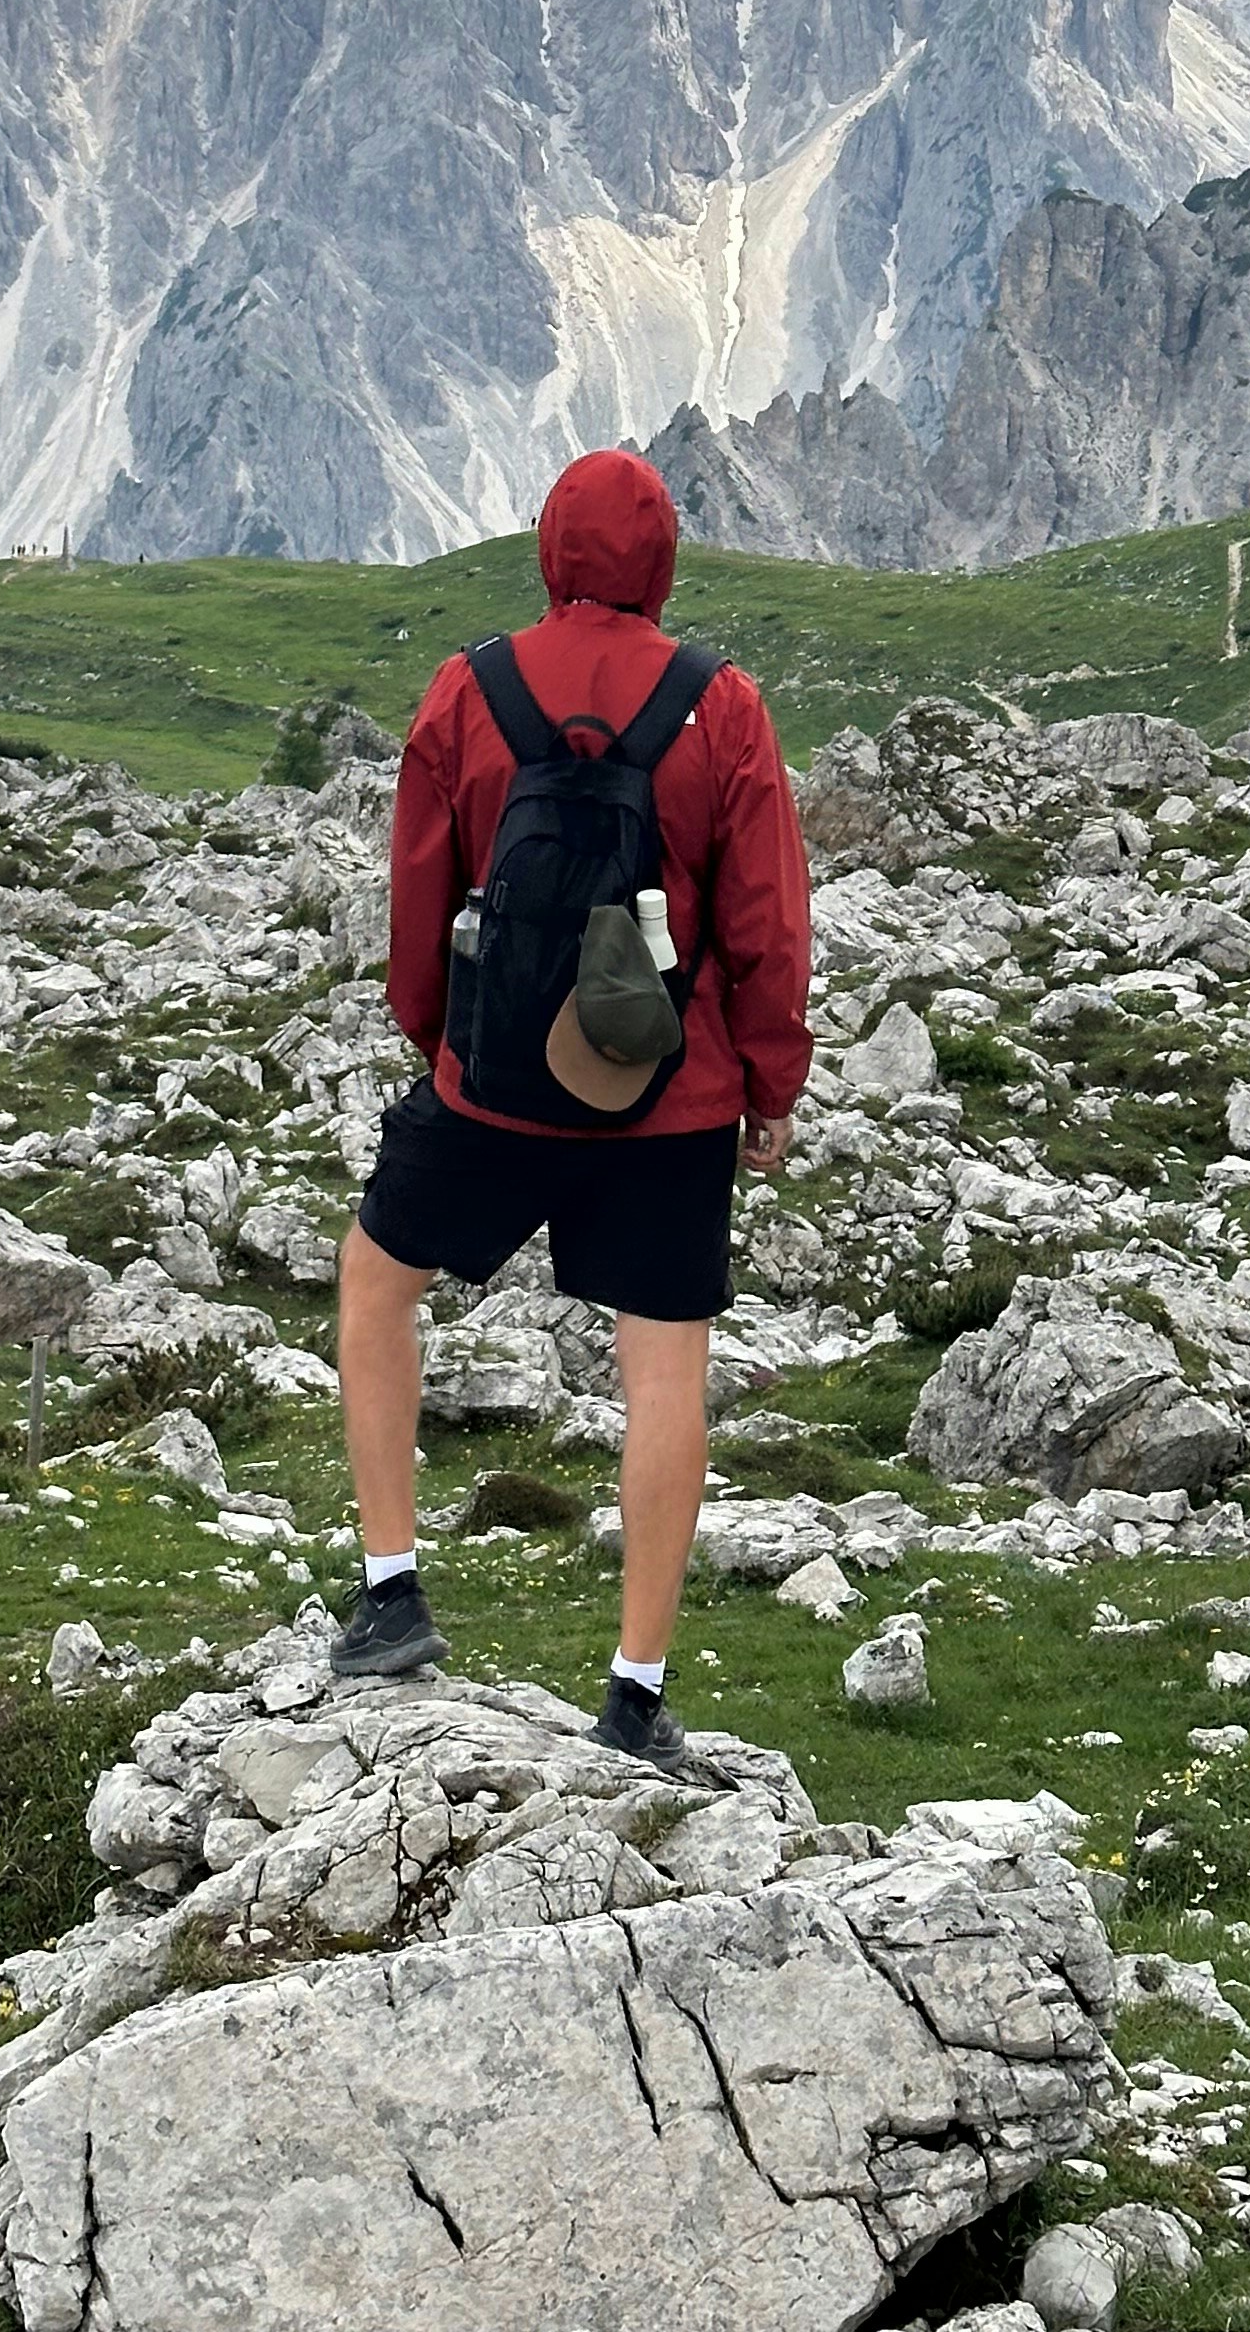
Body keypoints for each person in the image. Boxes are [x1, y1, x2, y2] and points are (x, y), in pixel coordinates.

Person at [331, 445, 812, 1770]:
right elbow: (767, 929)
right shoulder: (723, 707)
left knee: (379, 1283)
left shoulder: (465, 695)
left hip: (492, 1091)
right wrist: (768, 1088)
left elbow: (419, 916)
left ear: (549, 554)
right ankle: (636, 1696)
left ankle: (391, 1599)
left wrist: (452, 1052)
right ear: (662, 566)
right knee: (665, 1373)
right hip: (671, 1096)